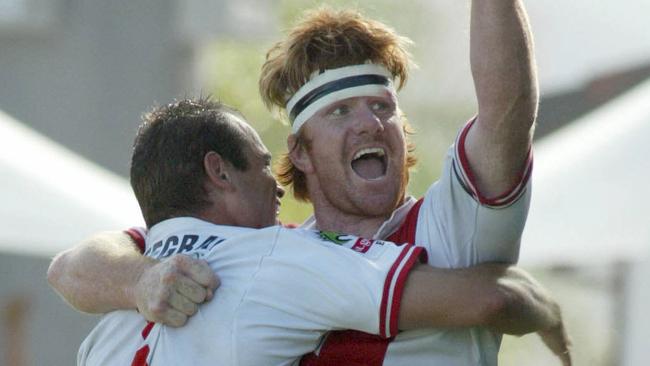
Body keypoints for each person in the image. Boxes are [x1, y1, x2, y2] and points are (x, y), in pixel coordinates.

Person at [49, 2, 572, 365]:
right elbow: (77, 266)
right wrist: (139, 281)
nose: (370, 124)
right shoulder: (265, 249)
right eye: (342, 111)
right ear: (299, 152)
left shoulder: (452, 225)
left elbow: (507, 112)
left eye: (383, 108)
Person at [77, 98, 563, 365]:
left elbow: (69, 268)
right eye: (264, 166)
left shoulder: (106, 328)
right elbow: (490, 302)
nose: (278, 187)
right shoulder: (278, 260)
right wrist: (545, 308)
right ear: (220, 173)